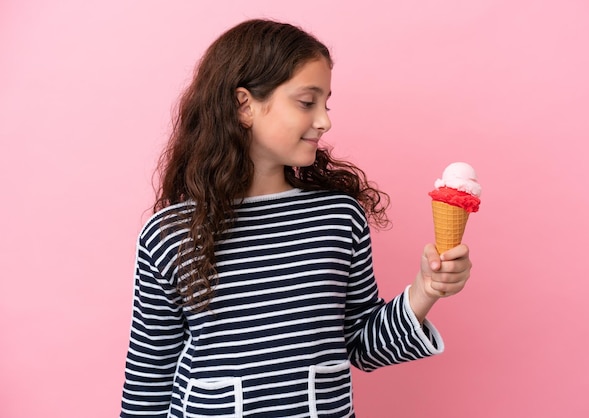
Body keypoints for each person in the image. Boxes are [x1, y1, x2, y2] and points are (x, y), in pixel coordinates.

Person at [120, 18, 472, 418]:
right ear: (245, 105)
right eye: (307, 102)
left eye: (326, 104)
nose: (324, 120)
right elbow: (149, 377)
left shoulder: (338, 217)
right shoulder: (169, 233)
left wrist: (425, 290)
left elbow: (362, 346)